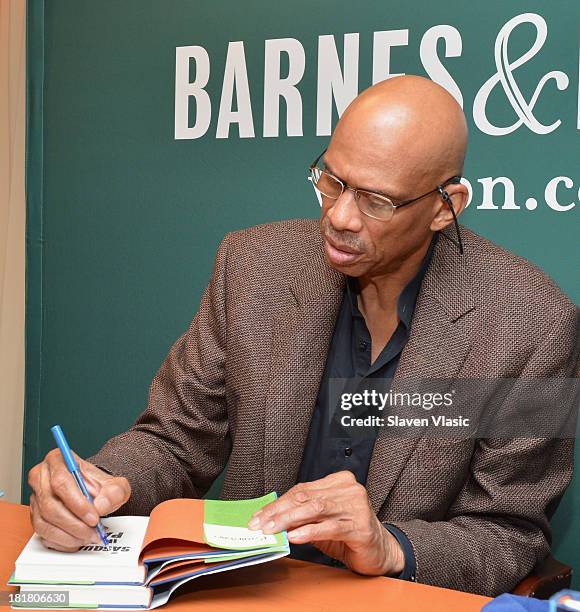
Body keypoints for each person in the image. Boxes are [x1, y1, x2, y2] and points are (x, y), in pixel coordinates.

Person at [27, 75, 579, 596]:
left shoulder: (531, 324)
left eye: (376, 201)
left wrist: (391, 548)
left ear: (444, 207)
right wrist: (101, 482)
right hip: (248, 593)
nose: (339, 216)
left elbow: (508, 530)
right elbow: (176, 439)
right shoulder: (253, 267)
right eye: (333, 181)